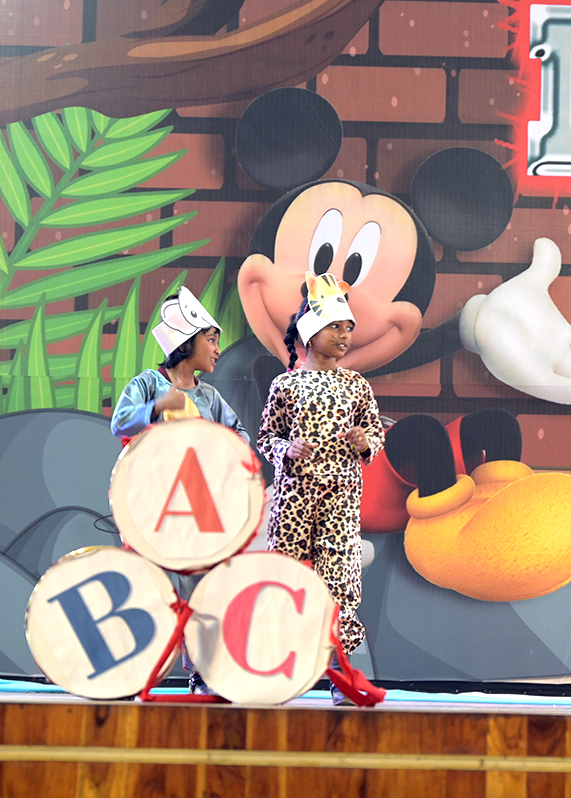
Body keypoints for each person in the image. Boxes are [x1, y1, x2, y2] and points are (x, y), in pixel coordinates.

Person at [110, 285, 249, 697]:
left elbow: (239, 437)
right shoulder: (149, 384)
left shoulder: (209, 397)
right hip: (153, 504)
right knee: (148, 585)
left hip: (197, 509)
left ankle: (202, 671)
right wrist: (158, 407)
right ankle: (136, 670)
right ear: (186, 342)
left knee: (201, 588)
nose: (217, 348)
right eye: (211, 339)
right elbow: (120, 423)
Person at [257, 271, 385, 706]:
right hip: (294, 496)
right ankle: (277, 667)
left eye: (349, 328)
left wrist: (365, 441)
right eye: (335, 327)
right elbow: (267, 437)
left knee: (340, 579)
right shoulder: (285, 384)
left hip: (342, 497)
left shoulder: (357, 385)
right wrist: (286, 448)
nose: (345, 335)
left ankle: (341, 673)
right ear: (310, 333)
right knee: (286, 576)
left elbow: (374, 434)